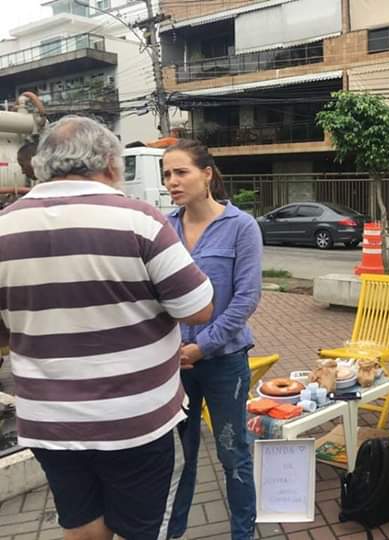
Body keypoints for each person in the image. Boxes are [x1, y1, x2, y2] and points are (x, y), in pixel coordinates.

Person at [0, 116, 214, 540]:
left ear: (41, 167)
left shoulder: (4, 226)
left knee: (82, 529)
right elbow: (199, 309)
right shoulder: (140, 220)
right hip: (133, 419)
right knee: (139, 529)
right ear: (111, 165)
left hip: (49, 423)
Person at [164, 139, 263, 540]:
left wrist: (202, 345)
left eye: (181, 172)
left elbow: (246, 298)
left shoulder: (241, 226)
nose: (173, 181)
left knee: (231, 450)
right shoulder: (164, 227)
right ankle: (173, 531)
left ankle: (243, 532)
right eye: (167, 174)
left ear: (207, 174)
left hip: (224, 362)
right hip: (176, 365)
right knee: (179, 457)